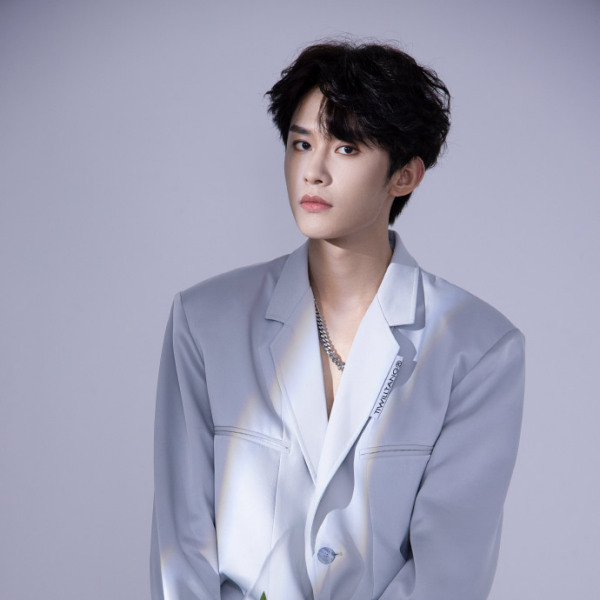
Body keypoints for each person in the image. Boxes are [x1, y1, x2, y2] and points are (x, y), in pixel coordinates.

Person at [150, 40, 525, 600]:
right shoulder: (205, 321)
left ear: (405, 176)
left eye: (347, 148)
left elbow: (451, 567)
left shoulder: (477, 347)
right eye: (302, 143)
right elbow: (181, 550)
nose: (314, 171)